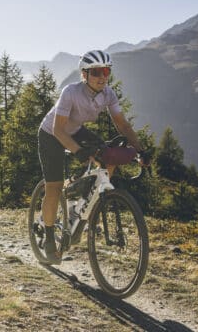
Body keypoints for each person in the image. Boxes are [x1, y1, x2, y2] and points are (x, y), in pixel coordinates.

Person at [37, 50, 148, 264]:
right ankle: (50, 238)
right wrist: (78, 151)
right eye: (96, 72)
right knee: (54, 186)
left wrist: (141, 150)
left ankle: (82, 208)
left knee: (108, 156)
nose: (102, 77)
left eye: (106, 71)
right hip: (51, 133)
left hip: (75, 129)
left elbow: (122, 124)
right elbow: (59, 130)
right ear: (84, 75)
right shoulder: (71, 92)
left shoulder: (108, 94)